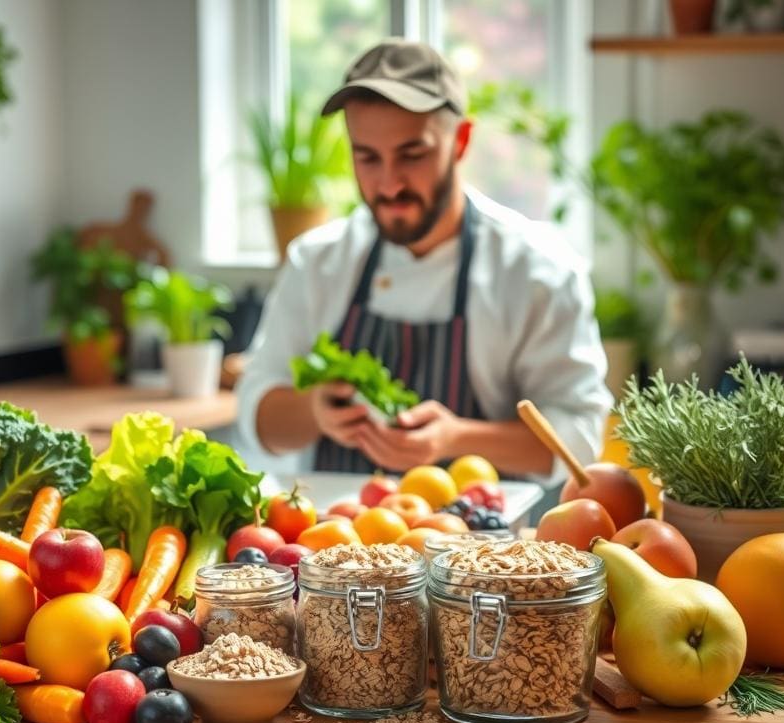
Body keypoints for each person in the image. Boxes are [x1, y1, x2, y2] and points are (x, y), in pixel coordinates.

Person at [235, 39, 612, 481]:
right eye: (367, 158)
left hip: (488, 546)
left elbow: (581, 437)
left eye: (413, 154)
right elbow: (256, 416)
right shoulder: (318, 262)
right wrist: (315, 411)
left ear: (461, 141)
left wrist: (457, 438)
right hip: (335, 540)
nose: (390, 184)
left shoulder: (537, 270)